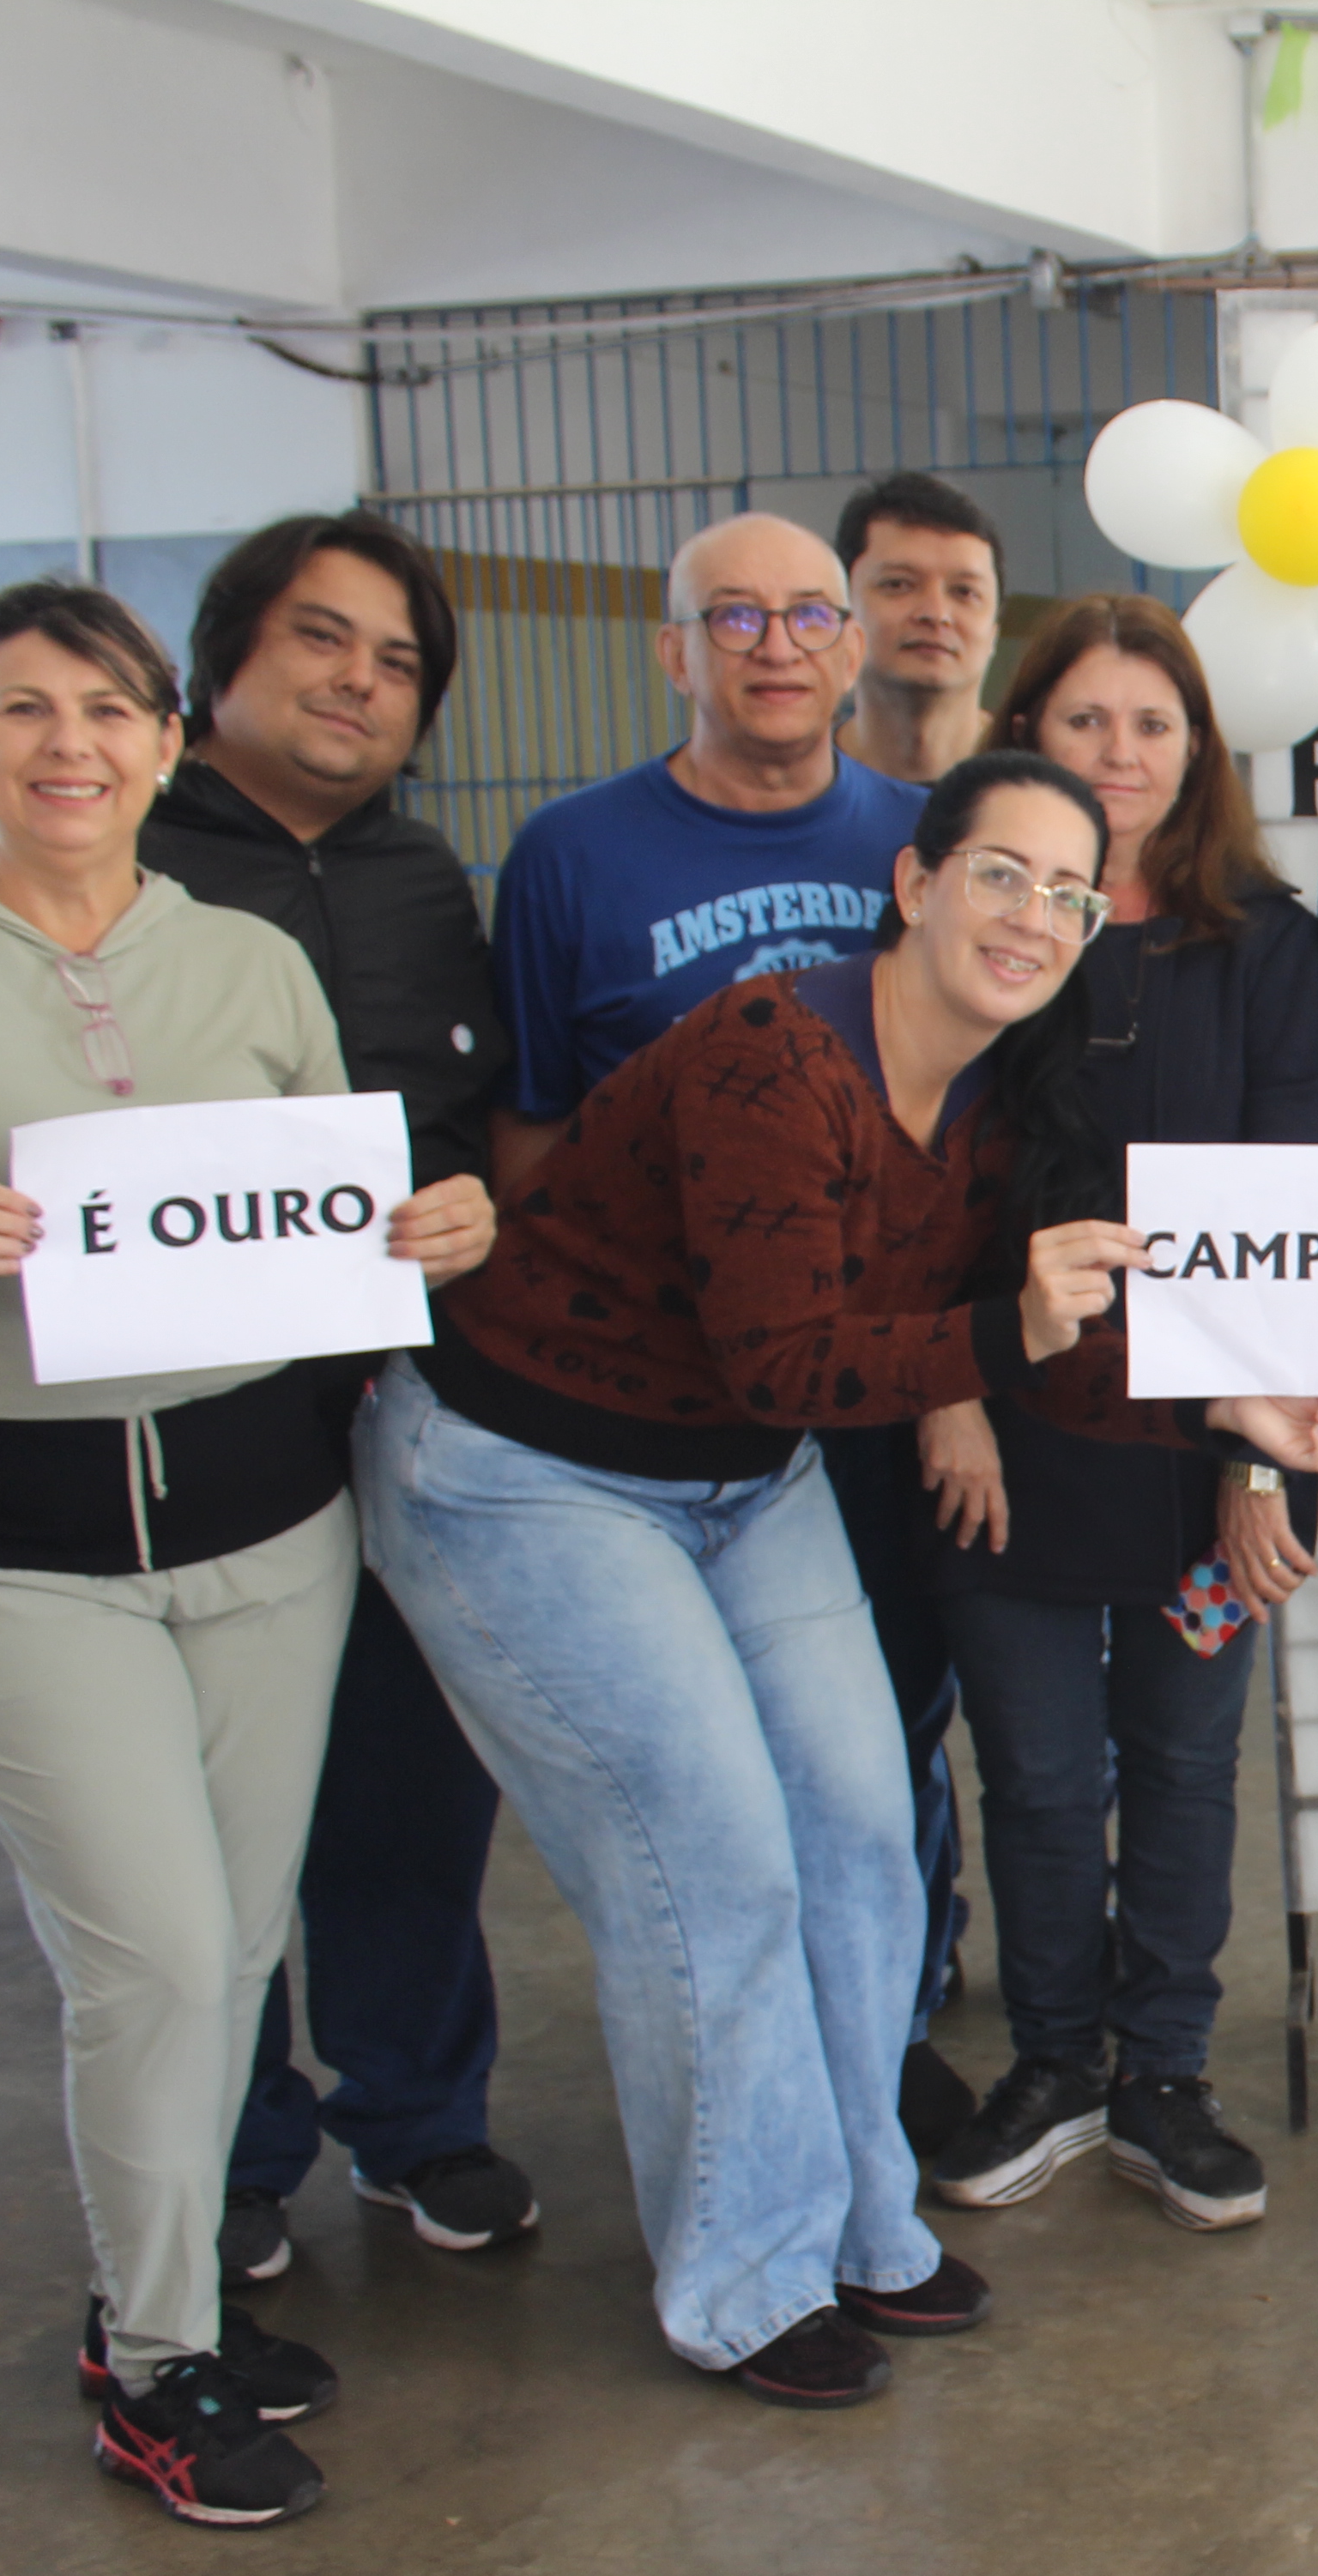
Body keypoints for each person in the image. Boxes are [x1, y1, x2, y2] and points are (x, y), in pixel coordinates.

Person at [361, 750, 1318, 2407]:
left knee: (858, 1825)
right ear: (911, 885)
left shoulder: (996, 1094)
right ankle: (742, 2278)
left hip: (730, 1479)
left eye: (1067, 891)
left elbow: (1027, 1350)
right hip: (525, 1468)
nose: (1033, 916)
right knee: (716, 1860)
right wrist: (1012, 1330)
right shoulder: (777, 1050)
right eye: (999, 874)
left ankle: (859, 2227)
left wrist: (1222, 1402)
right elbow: (791, 1361)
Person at [0, 582, 494, 2525]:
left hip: (271, 1528)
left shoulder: (247, 956)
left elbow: (320, 1207)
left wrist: (433, 1229)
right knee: (164, 1954)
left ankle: (162, 2303)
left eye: (108, 711)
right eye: (26, 709)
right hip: (1, 1554)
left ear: (168, 744)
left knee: (233, 1938)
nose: (69, 746)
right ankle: (157, 2353)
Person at [0, 511, 534, 2280]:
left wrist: (470, 1212)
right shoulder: (105, 869)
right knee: (206, 1824)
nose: (360, 682)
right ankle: (241, 2150)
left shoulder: (432, 880)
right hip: (174, 1437)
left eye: (401, 661)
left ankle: (421, 2122)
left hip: (406, 1411)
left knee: (412, 1793)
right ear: (215, 678)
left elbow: (451, 1140)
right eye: (322, 641)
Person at [481, 512, 971, 2131]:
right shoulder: (573, 852)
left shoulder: (922, 834)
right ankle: (771, 2123)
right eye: (733, 615)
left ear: (849, 647)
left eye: (806, 614)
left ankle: (887, 2043)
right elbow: (542, 1138)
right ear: (671, 647)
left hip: (870, 1388)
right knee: (717, 1801)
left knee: (883, 1743)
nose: (775, 645)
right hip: (645, 1413)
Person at [912, 599, 1318, 2233]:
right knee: (1031, 1773)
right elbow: (931, 1203)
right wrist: (946, 1390)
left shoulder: (1270, 946)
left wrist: (1256, 1457)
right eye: (1083, 722)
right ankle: (1055, 2062)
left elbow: (1294, 1212)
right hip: (1007, 1453)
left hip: (1216, 1470)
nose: (1118, 753)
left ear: (1198, 748)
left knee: (1180, 1760)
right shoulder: (988, 932)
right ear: (1023, 737)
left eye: (1150, 724)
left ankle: (1164, 2069)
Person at [838, 471, 1008, 789]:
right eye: (898, 584)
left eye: (964, 592)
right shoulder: (795, 782)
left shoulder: (1047, 782)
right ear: (843, 615)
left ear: (994, 631)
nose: (936, 614)